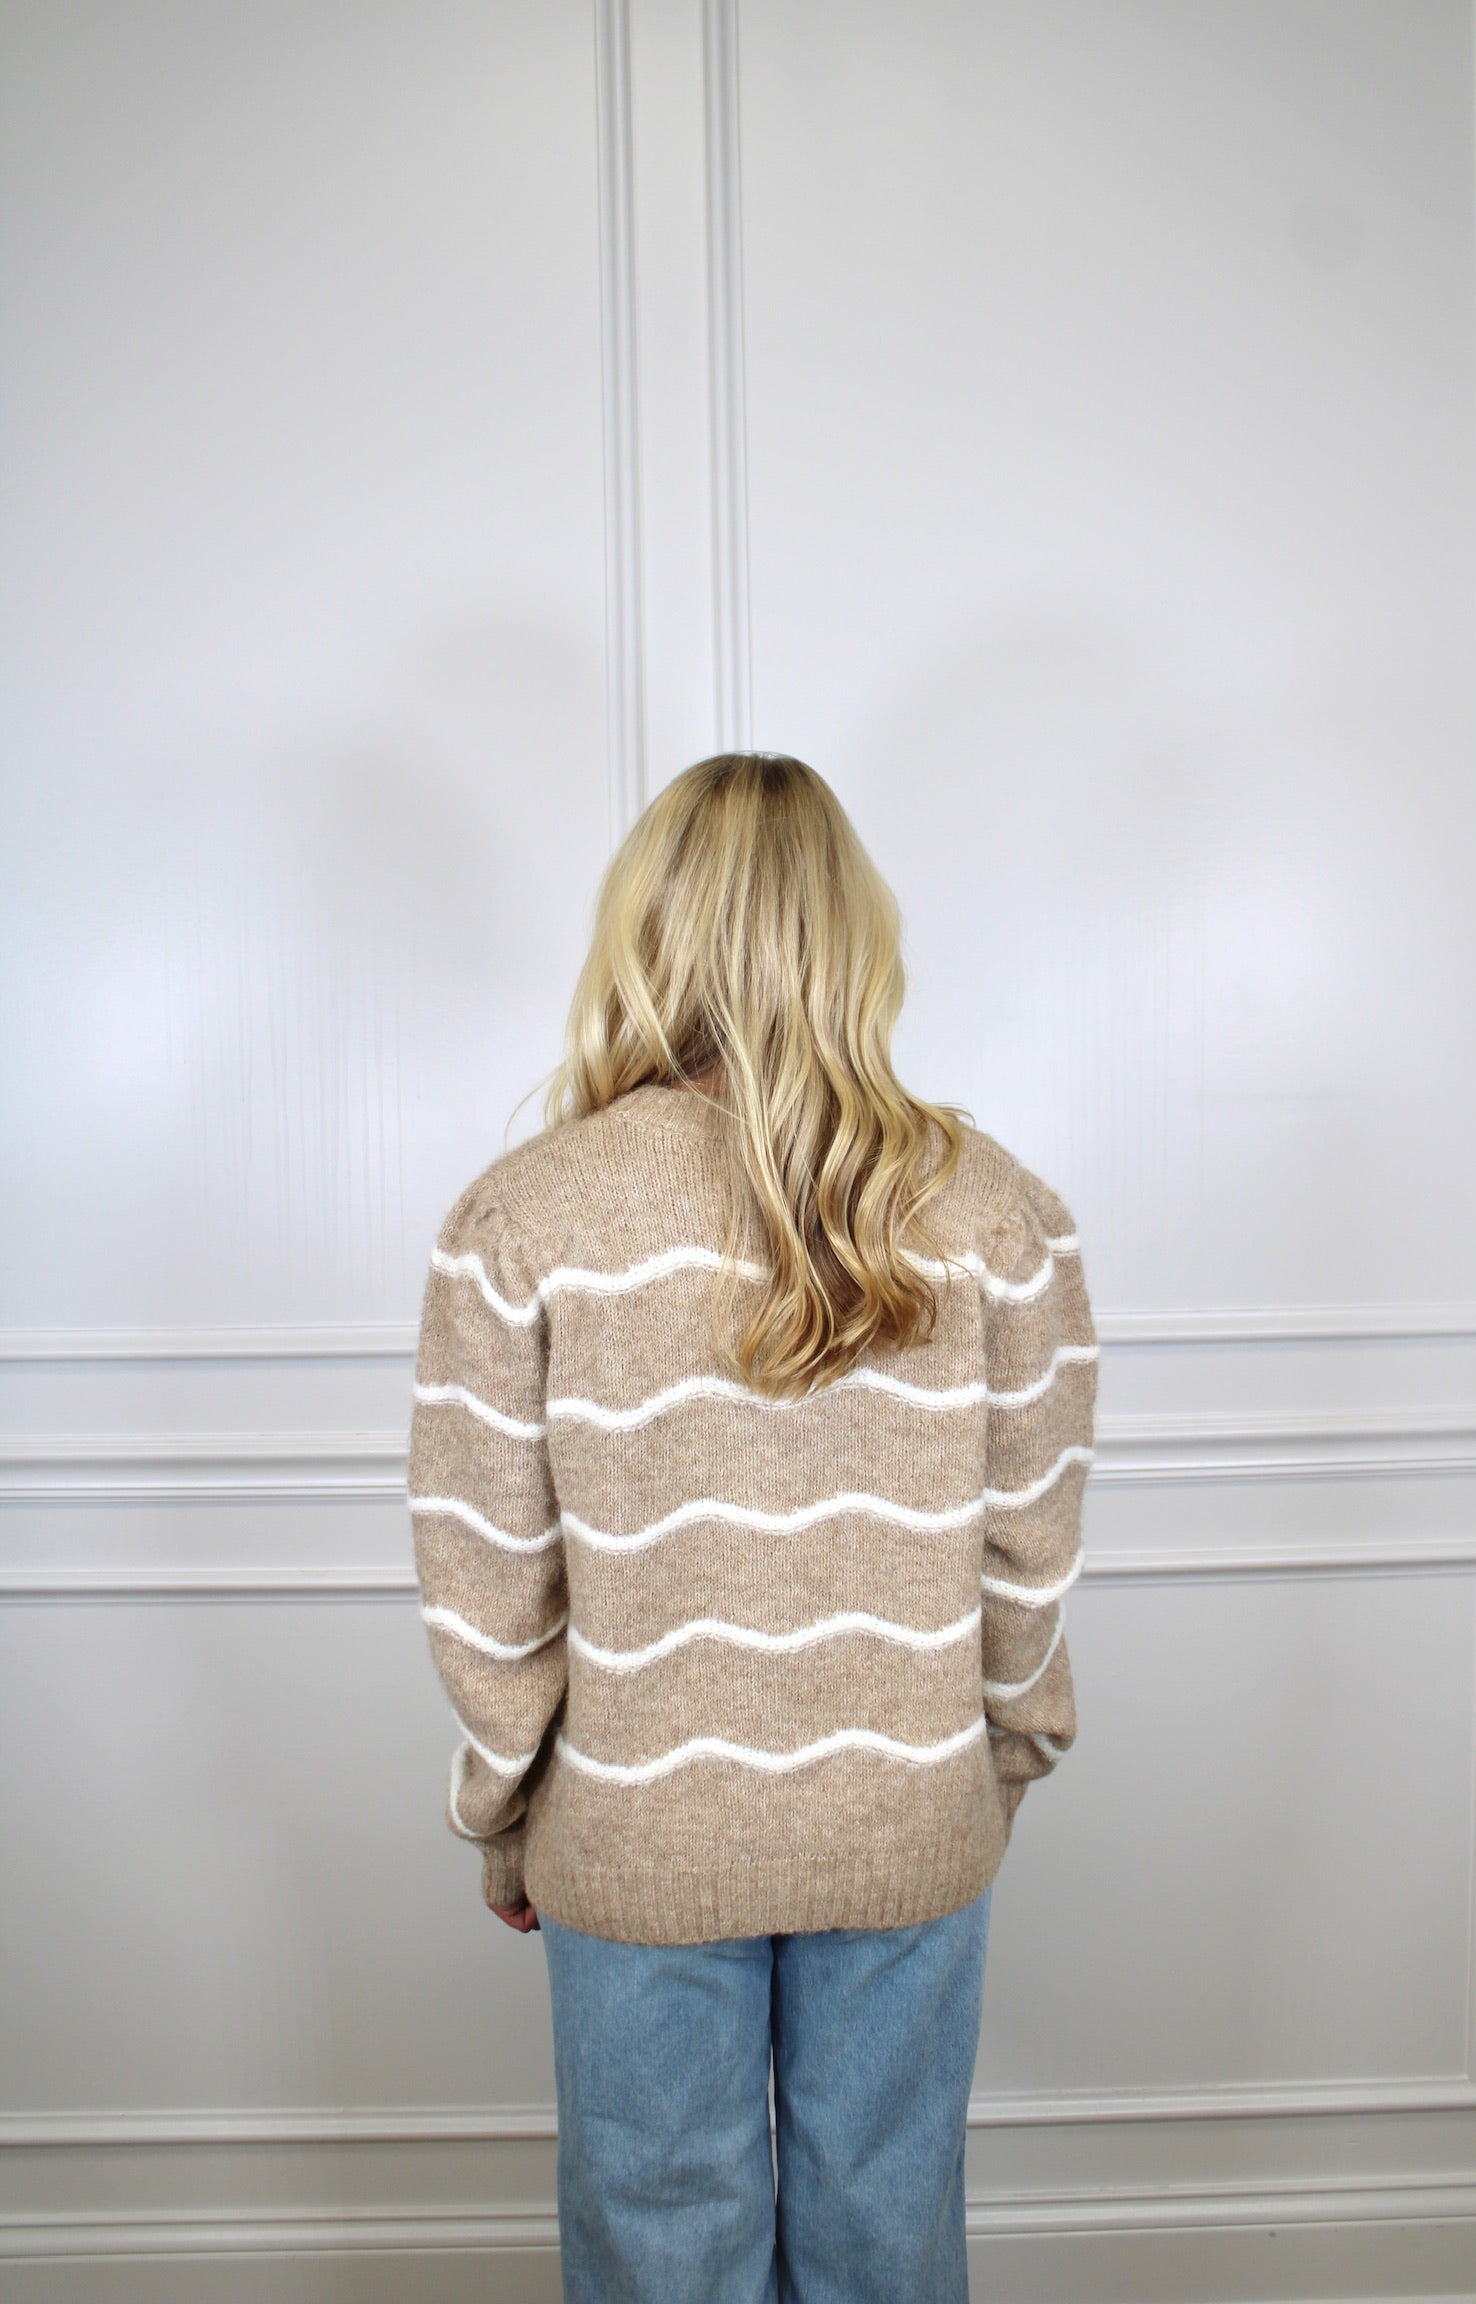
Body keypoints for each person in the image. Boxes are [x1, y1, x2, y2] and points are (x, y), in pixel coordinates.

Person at [406, 751, 1096, 2304]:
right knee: (885, 2242)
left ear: (646, 929)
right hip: (911, 1820)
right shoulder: (996, 1210)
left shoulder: (527, 1215)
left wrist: (506, 1816)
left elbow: (488, 1582)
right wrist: (989, 1770)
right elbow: (1029, 1556)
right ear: (853, 932)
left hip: (634, 1832)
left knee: (663, 2253)